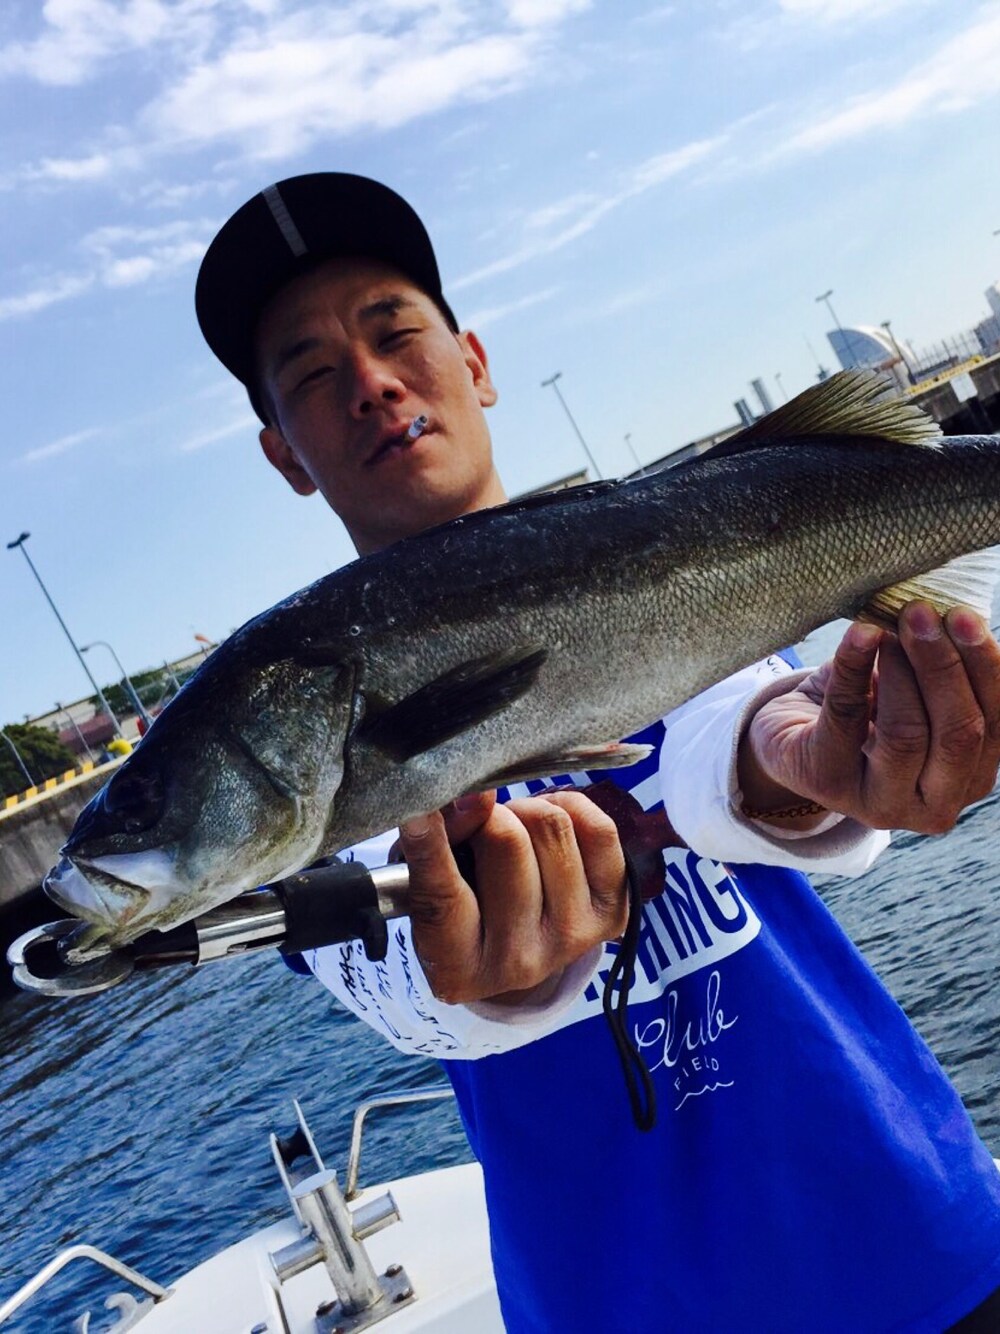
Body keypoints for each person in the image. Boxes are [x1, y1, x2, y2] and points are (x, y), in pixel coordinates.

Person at [194, 173, 1000, 1332]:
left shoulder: (667, 572)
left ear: (474, 362)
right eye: (314, 374)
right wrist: (480, 967)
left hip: (921, 1241)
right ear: (284, 454)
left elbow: (740, 734)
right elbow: (397, 973)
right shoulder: (302, 718)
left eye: (394, 332)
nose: (370, 382)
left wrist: (805, 772)